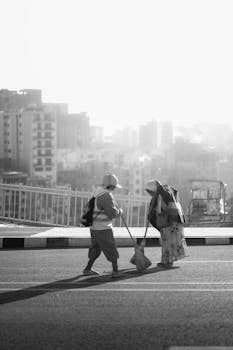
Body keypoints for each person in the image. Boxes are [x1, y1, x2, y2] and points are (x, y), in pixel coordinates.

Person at [83, 173, 123, 278]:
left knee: (96, 248)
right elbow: (112, 213)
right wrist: (120, 212)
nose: (114, 189)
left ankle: (87, 269)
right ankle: (116, 270)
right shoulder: (106, 195)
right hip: (103, 228)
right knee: (111, 249)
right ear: (111, 185)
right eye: (114, 186)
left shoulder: (97, 192)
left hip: (94, 227)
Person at [145, 179, 189, 268]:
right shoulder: (167, 192)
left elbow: (161, 210)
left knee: (167, 242)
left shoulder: (160, 196)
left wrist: (152, 214)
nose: (149, 194)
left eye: (149, 192)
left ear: (152, 190)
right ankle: (168, 261)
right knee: (171, 242)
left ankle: (167, 261)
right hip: (174, 220)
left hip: (168, 222)